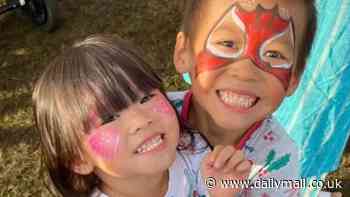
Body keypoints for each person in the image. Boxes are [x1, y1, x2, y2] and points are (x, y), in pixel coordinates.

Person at [32, 34, 252, 197]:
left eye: (145, 98)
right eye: (109, 118)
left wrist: (222, 191)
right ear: (78, 160)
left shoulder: (193, 152)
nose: (140, 120)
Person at [169, 0, 329, 196]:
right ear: (183, 54)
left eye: (274, 54)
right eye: (227, 44)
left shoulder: (277, 161)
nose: (245, 72)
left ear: (293, 80)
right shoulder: (152, 119)